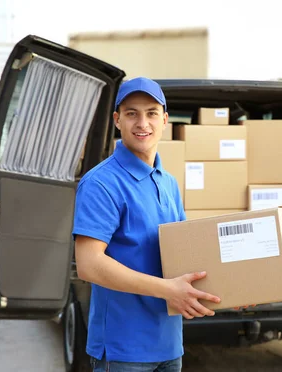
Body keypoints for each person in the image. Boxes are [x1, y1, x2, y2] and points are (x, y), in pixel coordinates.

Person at [71, 77, 221, 371]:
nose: (143, 123)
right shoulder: (101, 184)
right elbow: (89, 264)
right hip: (123, 348)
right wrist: (167, 290)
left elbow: (185, 256)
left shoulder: (168, 183)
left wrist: (236, 288)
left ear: (165, 120)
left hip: (168, 343)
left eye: (151, 113)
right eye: (132, 113)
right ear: (117, 120)